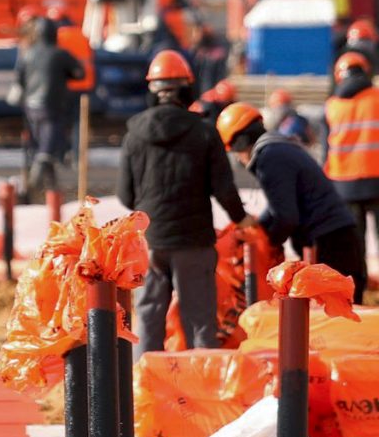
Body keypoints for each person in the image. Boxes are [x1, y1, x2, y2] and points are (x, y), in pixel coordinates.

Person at [119, 50, 246, 349]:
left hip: (150, 242)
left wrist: (151, 211)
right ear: (187, 87)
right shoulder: (203, 132)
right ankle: (203, 385)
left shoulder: (134, 134)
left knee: (148, 317)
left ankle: (144, 387)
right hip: (193, 242)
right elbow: (223, 188)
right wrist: (242, 218)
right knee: (200, 320)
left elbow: (125, 195)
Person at [221, 102, 365, 288]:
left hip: (329, 243)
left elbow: (286, 216)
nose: (239, 158)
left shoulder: (269, 158)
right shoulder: (279, 148)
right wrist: (261, 225)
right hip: (336, 236)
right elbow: (279, 205)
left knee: (334, 313)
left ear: (240, 142)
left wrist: (267, 243)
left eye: (235, 151)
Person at [322, 52, 379, 297]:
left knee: (354, 243)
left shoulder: (331, 106)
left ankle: (355, 293)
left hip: (344, 185)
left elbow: (325, 151)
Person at [15, 15, 82, 201]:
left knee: (40, 146)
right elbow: (79, 72)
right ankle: (33, 186)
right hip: (52, 107)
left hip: (31, 108)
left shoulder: (28, 54)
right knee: (46, 149)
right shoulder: (60, 54)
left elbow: (19, 78)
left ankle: (52, 188)